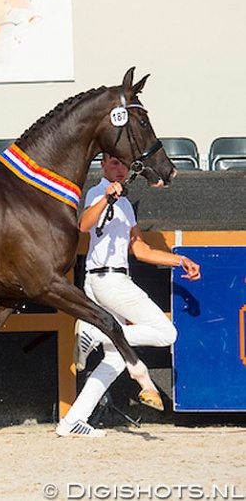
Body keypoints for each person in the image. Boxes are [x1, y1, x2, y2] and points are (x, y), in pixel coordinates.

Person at [56, 153, 201, 438]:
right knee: (166, 334)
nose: (120, 169)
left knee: (115, 360)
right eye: (114, 164)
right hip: (109, 280)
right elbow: (84, 225)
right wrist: (106, 197)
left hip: (108, 279)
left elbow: (141, 250)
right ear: (103, 166)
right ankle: (97, 336)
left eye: (123, 165)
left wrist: (179, 260)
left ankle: (73, 420)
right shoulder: (98, 192)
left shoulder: (124, 204)